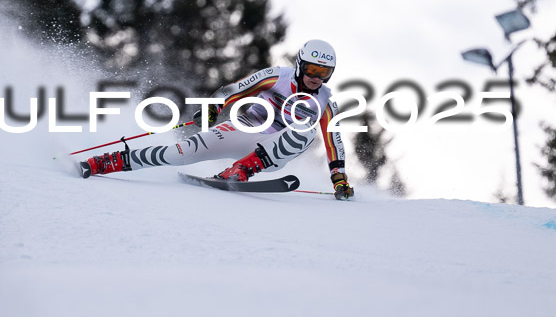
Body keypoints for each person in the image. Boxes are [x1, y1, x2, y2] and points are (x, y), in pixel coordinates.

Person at [80, 39, 354, 200]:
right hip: (244, 129)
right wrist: (213, 107)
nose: (316, 77)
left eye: (324, 72)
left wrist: (339, 179)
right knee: (181, 152)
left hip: (272, 153)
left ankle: (242, 169)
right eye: (312, 69)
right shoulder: (277, 76)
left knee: (305, 129)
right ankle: (106, 162)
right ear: (299, 65)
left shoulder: (326, 102)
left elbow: (334, 142)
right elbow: (235, 89)